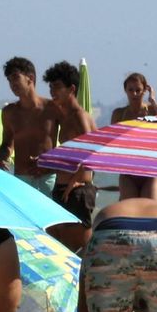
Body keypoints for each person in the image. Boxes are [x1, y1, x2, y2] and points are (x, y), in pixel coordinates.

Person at [43, 62, 98, 252]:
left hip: (77, 190)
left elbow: (93, 151)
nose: (52, 91)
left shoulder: (79, 116)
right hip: (63, 187)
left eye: (57, 87)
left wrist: (74, 181)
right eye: (50, 87)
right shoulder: (64, 116)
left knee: (79, 248)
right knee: (59, 246)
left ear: (71, 89)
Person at [0, 57, 58, 193]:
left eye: (15, 77)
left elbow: (69, 141)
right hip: (22, 178)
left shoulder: (52, 108)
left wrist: (47, 161)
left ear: (30, 78)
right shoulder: (9, 112)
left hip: (48, 177)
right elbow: (7, 144)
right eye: (9, 80)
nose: (12, 83)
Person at [111, 72, 157, 200]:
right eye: (131, 90)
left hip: (151, 169)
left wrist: (153, 100)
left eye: (138, 90)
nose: (134, 94)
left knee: (151, 210)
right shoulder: (119, 114)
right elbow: (111, 141)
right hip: (128, 170)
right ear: (125, 90)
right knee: (130, 212)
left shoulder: (152, 111)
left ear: (144, 91)